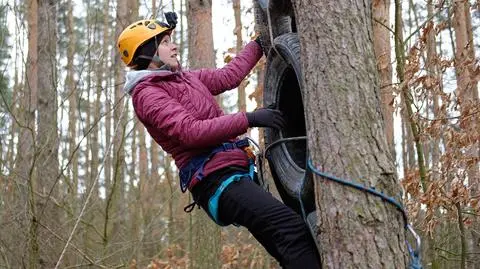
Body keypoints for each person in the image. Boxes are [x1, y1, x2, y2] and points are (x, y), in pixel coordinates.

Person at [117, 12, 321, 268]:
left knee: (287, 243)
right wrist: (249, 118)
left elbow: (229, 76)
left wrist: (259, 42)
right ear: (148, 52)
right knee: (291, 230)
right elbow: (189, 132)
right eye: (166, 41)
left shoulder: (184, 78)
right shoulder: (147, 95)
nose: (174, 45)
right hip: (216, 181)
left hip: (235, 173)